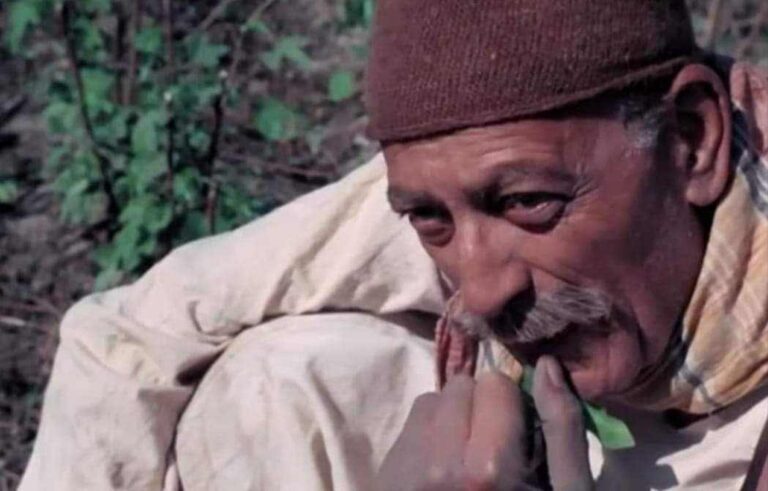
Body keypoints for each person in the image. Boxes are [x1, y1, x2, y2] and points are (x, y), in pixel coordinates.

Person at [19, 0, 768, 489]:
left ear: (692, 139)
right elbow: (131, 333)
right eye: (429, 219)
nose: (480, 290)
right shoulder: (466, 184)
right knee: (283, 380)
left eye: (527, 202)